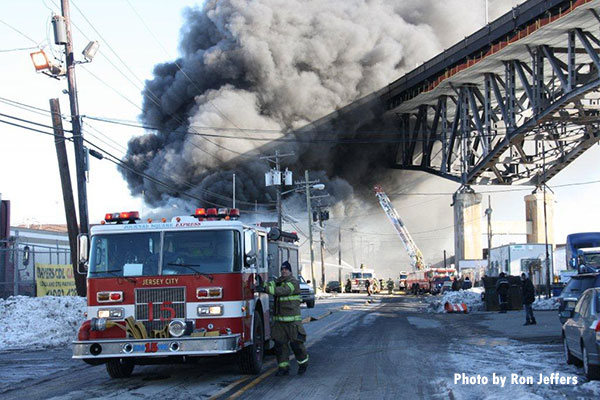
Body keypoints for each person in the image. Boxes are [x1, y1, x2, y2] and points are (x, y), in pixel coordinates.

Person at [264, 261, 309, 376]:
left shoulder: (293, 282)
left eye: (286, 269)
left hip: (293, 322)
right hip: (280, 322)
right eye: (282, 269)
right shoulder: (278, 282)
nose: (284, 271)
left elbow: (283, 291)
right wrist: (264, 285)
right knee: (280, 346)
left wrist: (266, 288)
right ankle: (283, 368)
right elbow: (272, 286)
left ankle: (303, 363)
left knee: (296, 345)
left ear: (290, 271)